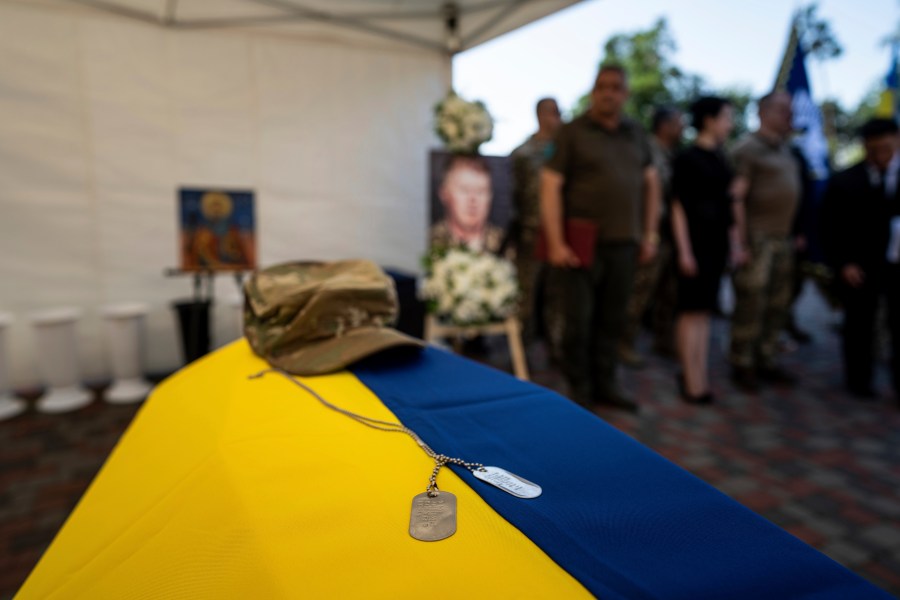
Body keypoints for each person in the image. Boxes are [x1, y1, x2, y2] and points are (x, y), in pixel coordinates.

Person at [540, 64, 661, 411]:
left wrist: (649, 234)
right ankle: (579, 388)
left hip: (624, 242)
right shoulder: (572, 132)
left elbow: (651, 185)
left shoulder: (636, 133)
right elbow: (550, 187)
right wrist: (557, 242)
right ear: (593, 92)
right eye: (601, 87)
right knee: (578, 321)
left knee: (613, 320)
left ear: (626, 93)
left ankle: (606, 383)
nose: (608, 93)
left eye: (615, 87)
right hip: (580, 246)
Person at [820, 118, 900, 403]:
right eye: (874, 150)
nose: (881, 156)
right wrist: (843, 262)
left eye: (887, 149)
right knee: (858, 325)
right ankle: (859, 381)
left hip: (896, 265)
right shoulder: (845, 181)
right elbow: (830, 227)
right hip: (861, 266)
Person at [728, 91, 801, 391]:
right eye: (783, 110)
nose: (790, 116)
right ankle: (742, 361)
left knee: (778, 303)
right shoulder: (747, 149)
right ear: (763, 112)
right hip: (757, 240)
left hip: (782, 239)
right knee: (752, 301)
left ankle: (767, 358)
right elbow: (735, 199)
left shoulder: (786, 150)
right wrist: (740, 243)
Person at [670, 97, 735, 404]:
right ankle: (690, 377)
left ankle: (700, 375)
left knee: (705, 311)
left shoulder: (722, 158)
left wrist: (735, 244)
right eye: (726, 117)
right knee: (690, 311)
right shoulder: (687, 158)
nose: (730, 124)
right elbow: (678, 206)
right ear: (708, 120)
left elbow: (729, 205)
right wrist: (684, 251)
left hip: (716, 245)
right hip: (694, 246)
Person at [619, 105, 683, 367]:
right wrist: (649, 234)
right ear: (664, 125)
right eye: (678, 122)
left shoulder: (672, 154)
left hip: (669, 234)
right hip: (649, 232)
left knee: (667, 292)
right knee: (638, 293)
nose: (682, 127)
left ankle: (663, 338)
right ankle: (623, 343)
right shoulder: (648, 151)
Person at [508, 97, 563, 342]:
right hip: (530, 234)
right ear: (540, 115)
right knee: (527, 294)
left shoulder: (566, 152)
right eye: (553, 113)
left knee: (558, 295)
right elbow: (511, 196)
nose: (558, 118)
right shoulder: (522, 154)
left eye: (559, 113)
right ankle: (522, 346)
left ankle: (556, 347)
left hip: (561, 236)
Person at [430, 154, 504, 254]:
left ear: (490, 196)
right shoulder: (428, 240)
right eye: (464, 190)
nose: (473, 200)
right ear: (444, 194)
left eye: (480, 191)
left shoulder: (506, 244)